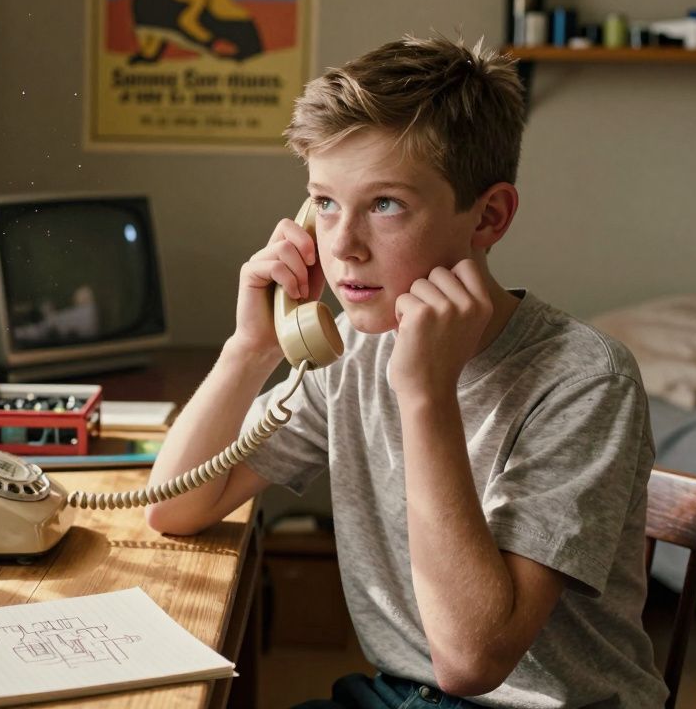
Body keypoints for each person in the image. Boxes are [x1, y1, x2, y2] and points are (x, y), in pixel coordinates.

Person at [144, 34, 668, 708]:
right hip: (399, 695)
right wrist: (251, 348)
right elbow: (173, 508)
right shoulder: (356, 353)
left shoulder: (585, 380)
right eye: (325, 203)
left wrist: (425, 395)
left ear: (490, 217)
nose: (341, 245)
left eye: (385, 204)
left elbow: (471, 660)